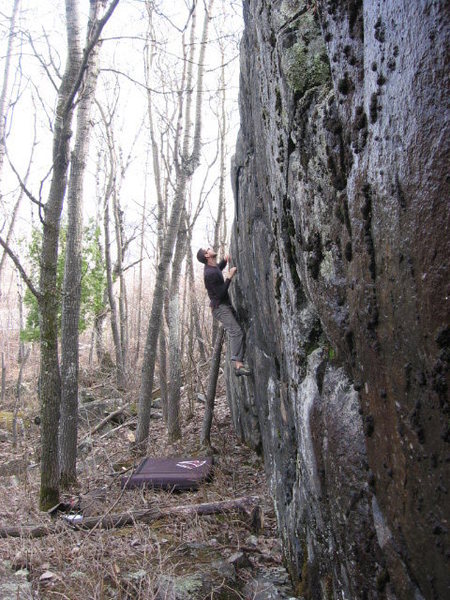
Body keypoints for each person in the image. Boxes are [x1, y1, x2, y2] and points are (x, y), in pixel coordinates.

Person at [197, 247, 252, 377]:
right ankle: (238, 365)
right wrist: (229, 277)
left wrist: (224, 261)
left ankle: (239, 361)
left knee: (238, 331)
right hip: (219, 308)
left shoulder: (212, 267)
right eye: (208, 249)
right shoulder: (209, 274)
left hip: (224, 306)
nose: (210, 248)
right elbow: (221, 293)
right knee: (236, 331)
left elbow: (217, 270)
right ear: (206, 256)